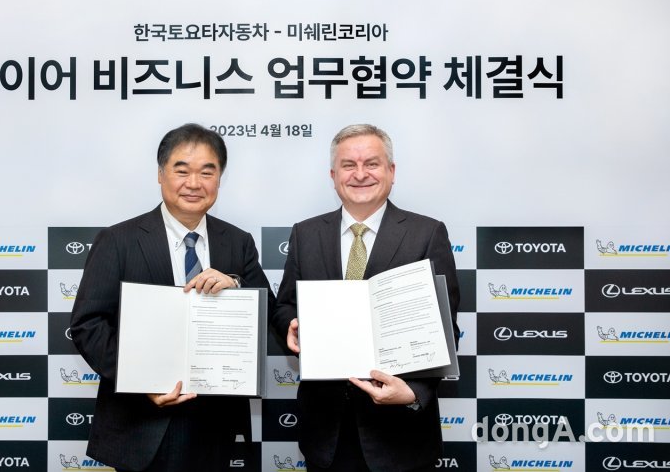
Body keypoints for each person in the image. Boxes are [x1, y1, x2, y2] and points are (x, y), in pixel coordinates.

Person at [70, 123, 272, 472]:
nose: (194, 183)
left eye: (207, 172)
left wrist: (235, 285)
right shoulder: (118, 240)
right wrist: (141, 380)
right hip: (143, 424)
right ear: (160, 174)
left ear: (219, 179)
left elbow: (267, 312)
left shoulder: (237, 241)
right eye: (182, 170)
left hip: (217, 425)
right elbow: (88, 325)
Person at [271, 124, 460, 472]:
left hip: (401, 436)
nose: (360, 174)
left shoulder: (427, 233)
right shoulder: (305, 234)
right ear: (333, 175)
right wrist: (291, 326)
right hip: (325, 434)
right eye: (348, 165)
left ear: (391, 171)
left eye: (371, 163)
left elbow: (445, 329)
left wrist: (414, 392)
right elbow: (285, 306)